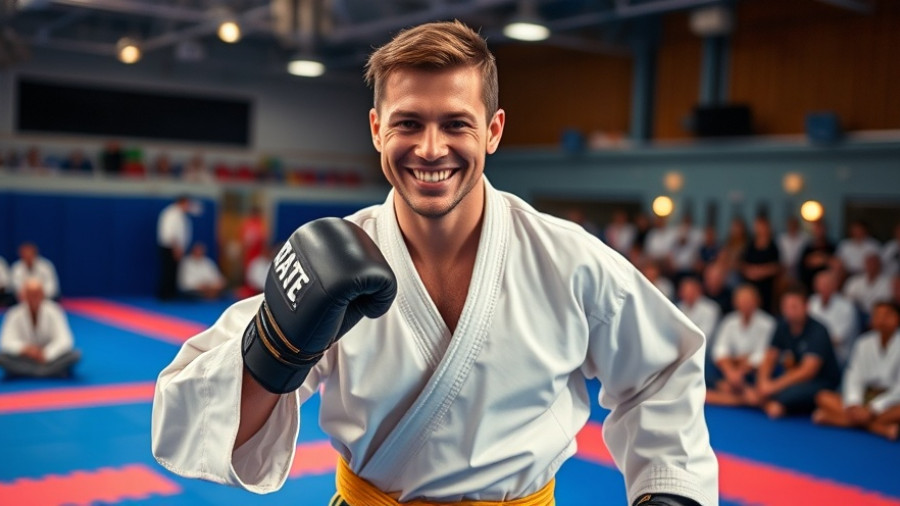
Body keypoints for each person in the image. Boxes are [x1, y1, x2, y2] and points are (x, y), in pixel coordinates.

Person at [151, 21, 717, 506]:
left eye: (455, 123)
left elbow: (661, 372)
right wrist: (280, 345)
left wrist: (666, 488)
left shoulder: (567, 259)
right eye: (407, 123)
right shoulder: (338, 258)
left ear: (493, 131)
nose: (429, 148)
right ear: (377, 130)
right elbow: (184, 418)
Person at [746, 287, 841, 418]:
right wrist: (763, 382)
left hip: (819, 381)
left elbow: (808, 371)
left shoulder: (818, 331)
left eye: (794, 306)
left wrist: (773, 386)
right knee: (753, 377)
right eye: (785, 306)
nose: (789, 311)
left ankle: (767, 401)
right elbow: (769, 357)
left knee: (780, 401)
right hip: (791, 375)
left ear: (806, 307)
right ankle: (765, 399)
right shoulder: (782, 325)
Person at [813, 301, 900, 440]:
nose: (881, 320)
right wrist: (855, 403)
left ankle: (840, 420)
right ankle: (878, 428)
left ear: (897, 318)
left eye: (887, 315)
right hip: (864, 396)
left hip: (889, 402)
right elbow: (853, 375)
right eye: (877, 315)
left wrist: (873, 409)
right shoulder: (863, 342)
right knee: (822, 397)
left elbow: (898, 390)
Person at [706, 285, 775, 406]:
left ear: (757, 302)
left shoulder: (767, 323)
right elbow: (719, 349)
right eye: (741, 301)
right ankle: (745, 398)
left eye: (748, 301)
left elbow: (761, 355)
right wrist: (730, 372)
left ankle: (729, 392)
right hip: (731, 367)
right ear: (735, 302)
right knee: (705, 365)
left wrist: (740, 371)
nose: (745, 304)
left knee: (767, 372)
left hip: (752, 371)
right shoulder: (729, 321)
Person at [0, 278, 80, 379]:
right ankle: (48, 372)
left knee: (75, 355)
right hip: (25, 358)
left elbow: (65, 340)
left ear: (43, 295)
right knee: (2, 358)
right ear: (22, 296)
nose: (33, 298)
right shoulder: (13, 314)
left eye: (36, 294)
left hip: (48, 358)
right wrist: (26, 350)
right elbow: (6, 342)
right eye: (30, 294)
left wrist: (46, 353)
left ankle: (27, 372)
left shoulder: (54, 310)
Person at [808, 270, 858, 366]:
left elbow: (837, 340)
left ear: (835, 286)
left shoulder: (847, 307)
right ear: (815, 286)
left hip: (838, 357)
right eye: (820, 284)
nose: (823, 287)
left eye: (827, 284)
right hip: (812, 353)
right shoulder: (811, 302)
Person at [740, 215, 781, 314]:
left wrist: (760, 272)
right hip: (750, 283)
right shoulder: (750, 244)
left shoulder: (773, 246)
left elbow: (776, 266)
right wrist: (749, 271)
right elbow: (743, 262)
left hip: (766, 285)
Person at [157, 195, 192, 300]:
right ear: (182, 202)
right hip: (170, 247)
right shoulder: (171, 214)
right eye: (187, 204)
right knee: (169, 271)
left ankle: (171, 293)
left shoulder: (180, 214)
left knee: (174, 271)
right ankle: (165, 295)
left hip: (176, 247)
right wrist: (176, 248)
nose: (188, 206)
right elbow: (170, 233)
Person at [843, 253, 892, 320]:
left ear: (879, 265)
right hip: (859, 316)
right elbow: (847, 300)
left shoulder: (888, 282)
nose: (871, 266)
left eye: (874, 264)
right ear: (865, 265)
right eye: (869, 263)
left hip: (881, 315)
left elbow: (887, 301)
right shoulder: (854, 281)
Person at [678, 276, 720, 345]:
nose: (686, 294)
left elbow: (704, 336)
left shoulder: (710, 308)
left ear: (698, 291)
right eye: (684, 291)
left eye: (690, 291)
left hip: (705, 349)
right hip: (682, 346)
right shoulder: (679, 307)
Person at [798, 219, 835, 294]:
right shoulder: (807, 248)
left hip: (827, 282)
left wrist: (823, 259)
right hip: (809, 284)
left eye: (821, 228)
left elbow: (834, 263)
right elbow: (804, 264)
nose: (819, 231)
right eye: (817, 229)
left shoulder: (832, 247)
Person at [777, 216, 808, 282]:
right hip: (784, 270)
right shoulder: (781, 239)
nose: (792, 227)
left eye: (794, 225)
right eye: (790, 225)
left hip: (800, 270)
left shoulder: (805, 239)